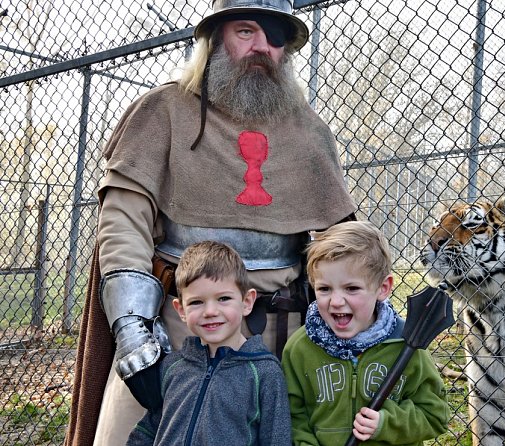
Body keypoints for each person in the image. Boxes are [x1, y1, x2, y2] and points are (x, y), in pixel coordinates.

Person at [64, 0, 357, 444]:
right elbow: (124, 221)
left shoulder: (309, 131)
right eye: (245, 31)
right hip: (180, 323)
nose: (261, 46)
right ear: (214, 40)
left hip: (284, 331)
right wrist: (131, 329)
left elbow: (340, 239)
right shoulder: (162, 110)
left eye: (274, 36)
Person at [282, 221, 450, 445]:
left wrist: (386, 423)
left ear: (383, 288)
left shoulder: (405, 345)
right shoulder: (299, 349)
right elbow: (294, 418)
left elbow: (435, 416)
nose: (336, 301)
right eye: (324, 289)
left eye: (351, 288)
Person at [126, 241, 291, 445]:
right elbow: (150, 428)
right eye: (197, 302)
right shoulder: (173, 367)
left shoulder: (265, 373)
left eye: (223, 298)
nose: (210, 311)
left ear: (247, 302)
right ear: (181, 310)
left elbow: (277, 438)